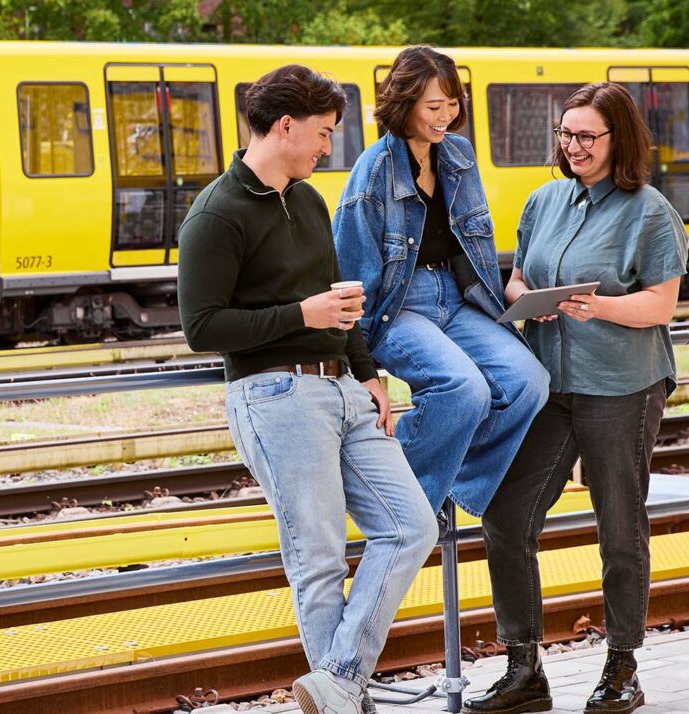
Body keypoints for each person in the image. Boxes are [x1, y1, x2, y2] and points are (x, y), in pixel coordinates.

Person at [179, 64, 437, 714]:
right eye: (322, 134)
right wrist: (302, 316)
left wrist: (368, 372)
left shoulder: (312, 200)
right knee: (319, 561)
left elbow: (336, 296)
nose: (328, 148)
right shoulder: (216, 214)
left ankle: (337, 686)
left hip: (345, 390)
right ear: (286, 126)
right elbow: (202, 328)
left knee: (411, 527)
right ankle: (349, 698)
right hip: (276, 399)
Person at [465, 82, 688, 714]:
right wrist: (520, 300)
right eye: (566, 134)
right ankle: (524, 670)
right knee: (507, 518)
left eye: (587, 135)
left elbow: (662, 303)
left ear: (620, 139)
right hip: (551, 386)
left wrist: (600, 308)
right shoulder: (543, 201)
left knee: (619, 528)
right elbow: (518, 274)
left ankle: (622, 667)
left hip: (622, 386)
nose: (574, 146)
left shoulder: (649, 210)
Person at [333, 46, 550, 521]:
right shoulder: (373, 171)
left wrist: (509, 298)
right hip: (398, 306)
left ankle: (450, 485)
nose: (446, 116)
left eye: (452, 104)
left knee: (529, 382)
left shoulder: (459, 154)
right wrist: (362, 362)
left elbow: (474, 246)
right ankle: (398, 502)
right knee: (463, 389)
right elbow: (350, 269)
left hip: (459, 298)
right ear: (404, 103)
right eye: (434, 106)